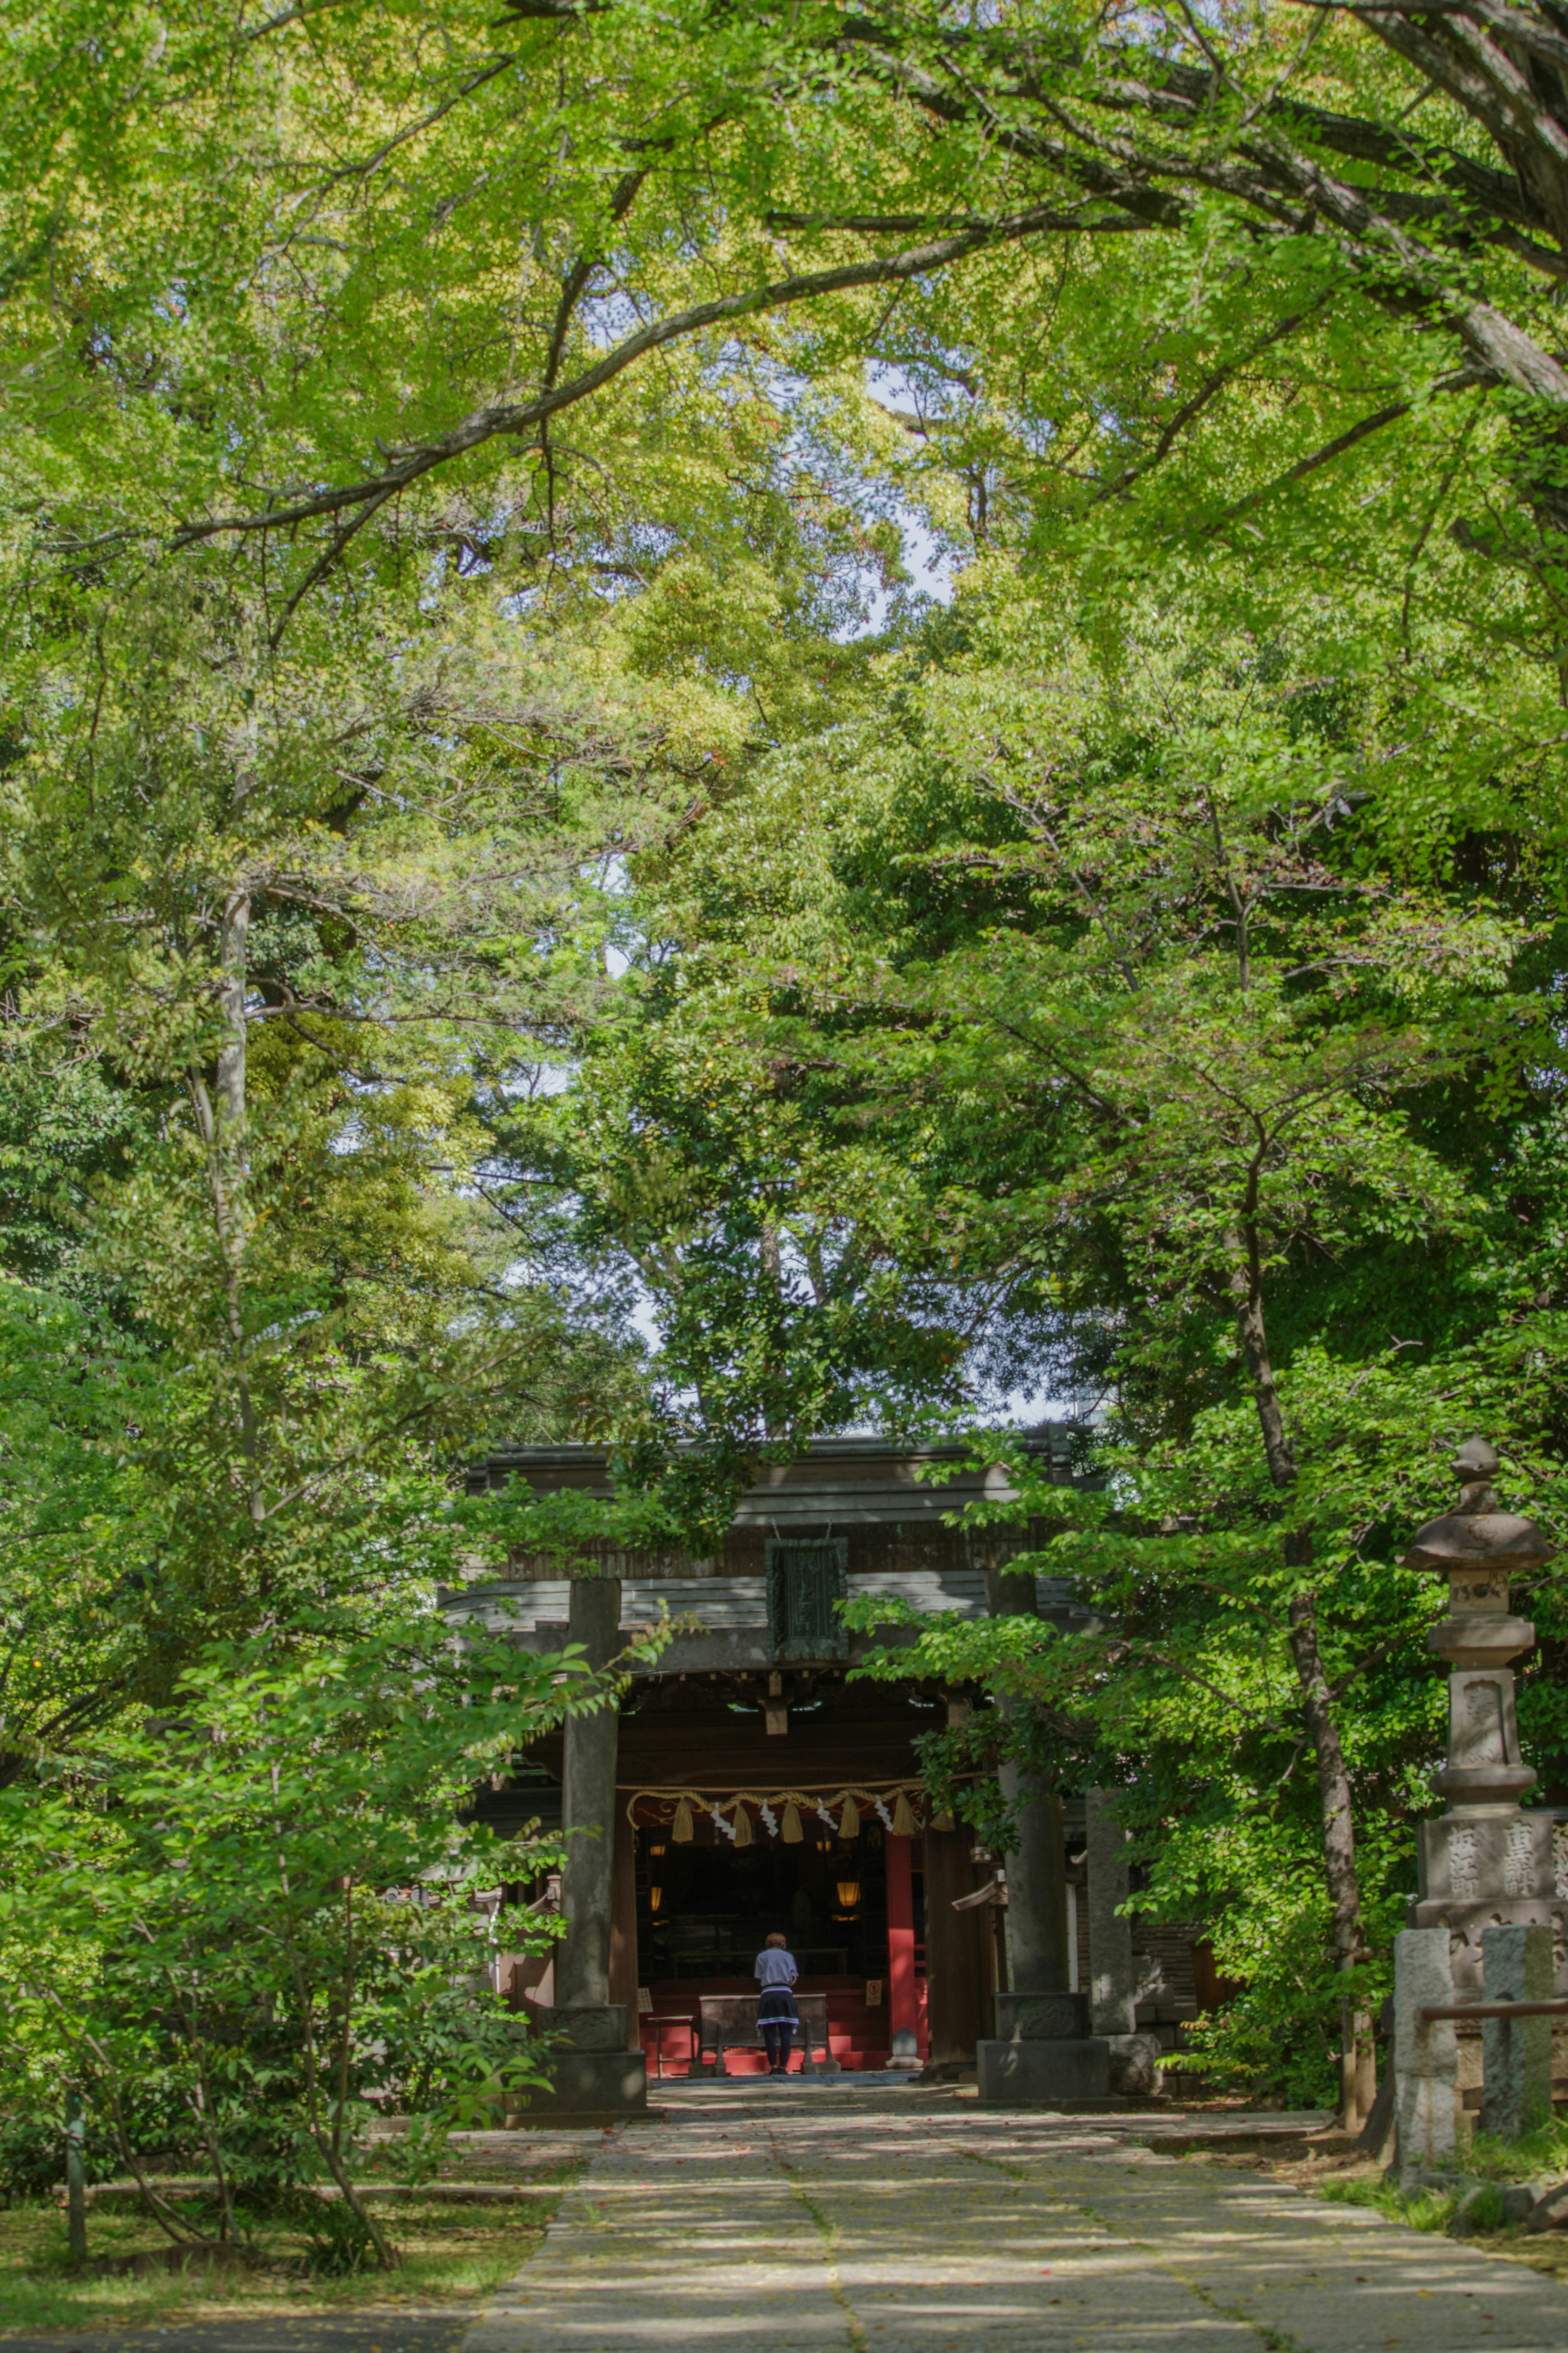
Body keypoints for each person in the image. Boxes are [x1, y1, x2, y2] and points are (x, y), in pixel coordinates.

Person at [754, 1930, 799, 2076]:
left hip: (769, 1994)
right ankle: (784, 2066)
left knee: (770, 2033)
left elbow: (759, 1978)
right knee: (786, 2033)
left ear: (768, 1943)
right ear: (783, 1944)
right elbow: (793, 1978)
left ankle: (773, 2066)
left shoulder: (761, 1957)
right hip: (785, 1994)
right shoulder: (789, 1956)